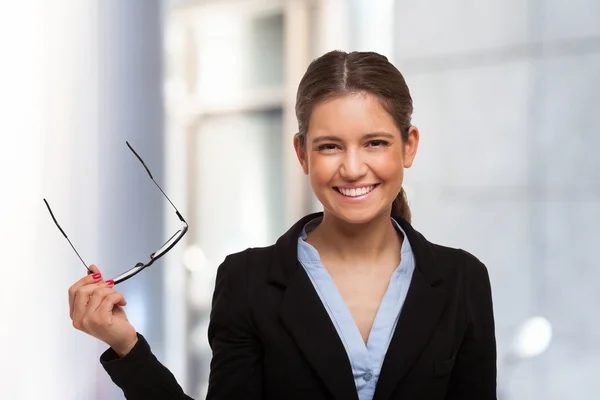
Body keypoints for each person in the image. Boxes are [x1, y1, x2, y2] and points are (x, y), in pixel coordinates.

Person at [68, 50, 497, 400]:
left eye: (375, 143)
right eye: (329, 146)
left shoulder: (463, 281)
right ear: (302, 153)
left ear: (409, 145)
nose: (352, 167)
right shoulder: (247, 283)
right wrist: (127, 346)